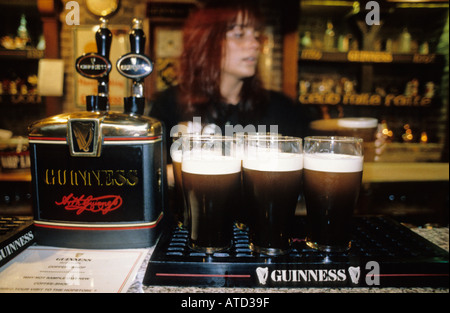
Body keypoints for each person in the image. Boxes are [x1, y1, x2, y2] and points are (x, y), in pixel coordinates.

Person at [150, 0, 306, 162]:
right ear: (207, 42)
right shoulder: (170, 105)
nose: (254, 44)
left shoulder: (281, 110)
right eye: (239, 34)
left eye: (256, 36)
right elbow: (153, 176)